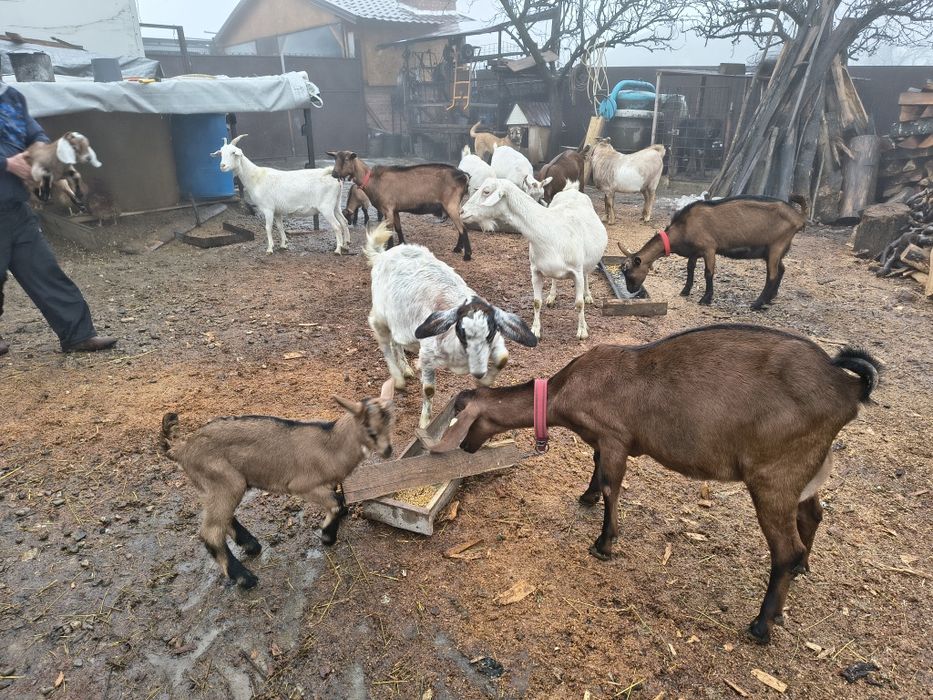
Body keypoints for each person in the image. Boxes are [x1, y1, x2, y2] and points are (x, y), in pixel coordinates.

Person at [0, 81, 115, 356]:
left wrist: (43, 156)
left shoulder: (10, 97)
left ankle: (78, 335)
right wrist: (5, 163)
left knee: (44, 270)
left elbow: (33, 132)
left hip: (16, 207)